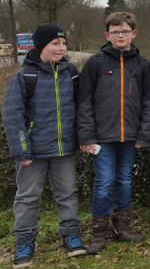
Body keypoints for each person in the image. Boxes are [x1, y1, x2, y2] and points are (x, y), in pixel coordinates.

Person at [3, 24, 86, 268]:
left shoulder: (70, 71)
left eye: (63, 44)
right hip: (33, 152)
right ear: (41, 46)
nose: (61, 48)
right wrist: (21, 150)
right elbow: (13, 116)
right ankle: (24, 242)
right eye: (55, 44)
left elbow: (81, 108)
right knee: (28, 197)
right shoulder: (24, 77)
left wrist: (82, 138)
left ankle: (71, 236)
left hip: (64, 150)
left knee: (68, 194)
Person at [77, 12, 150, 254]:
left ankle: (122, 228)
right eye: (115, 31)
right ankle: (98, 233)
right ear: (107, 35)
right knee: (103, 183)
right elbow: (83, 101)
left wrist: (145, 134)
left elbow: (149, 102)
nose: (120, 35)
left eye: (124, 31)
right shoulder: (96, 63)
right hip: (102, 137)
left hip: (130, 136)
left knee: (124, 181)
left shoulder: (142, 64)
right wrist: (87, 136)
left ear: (133, 33)